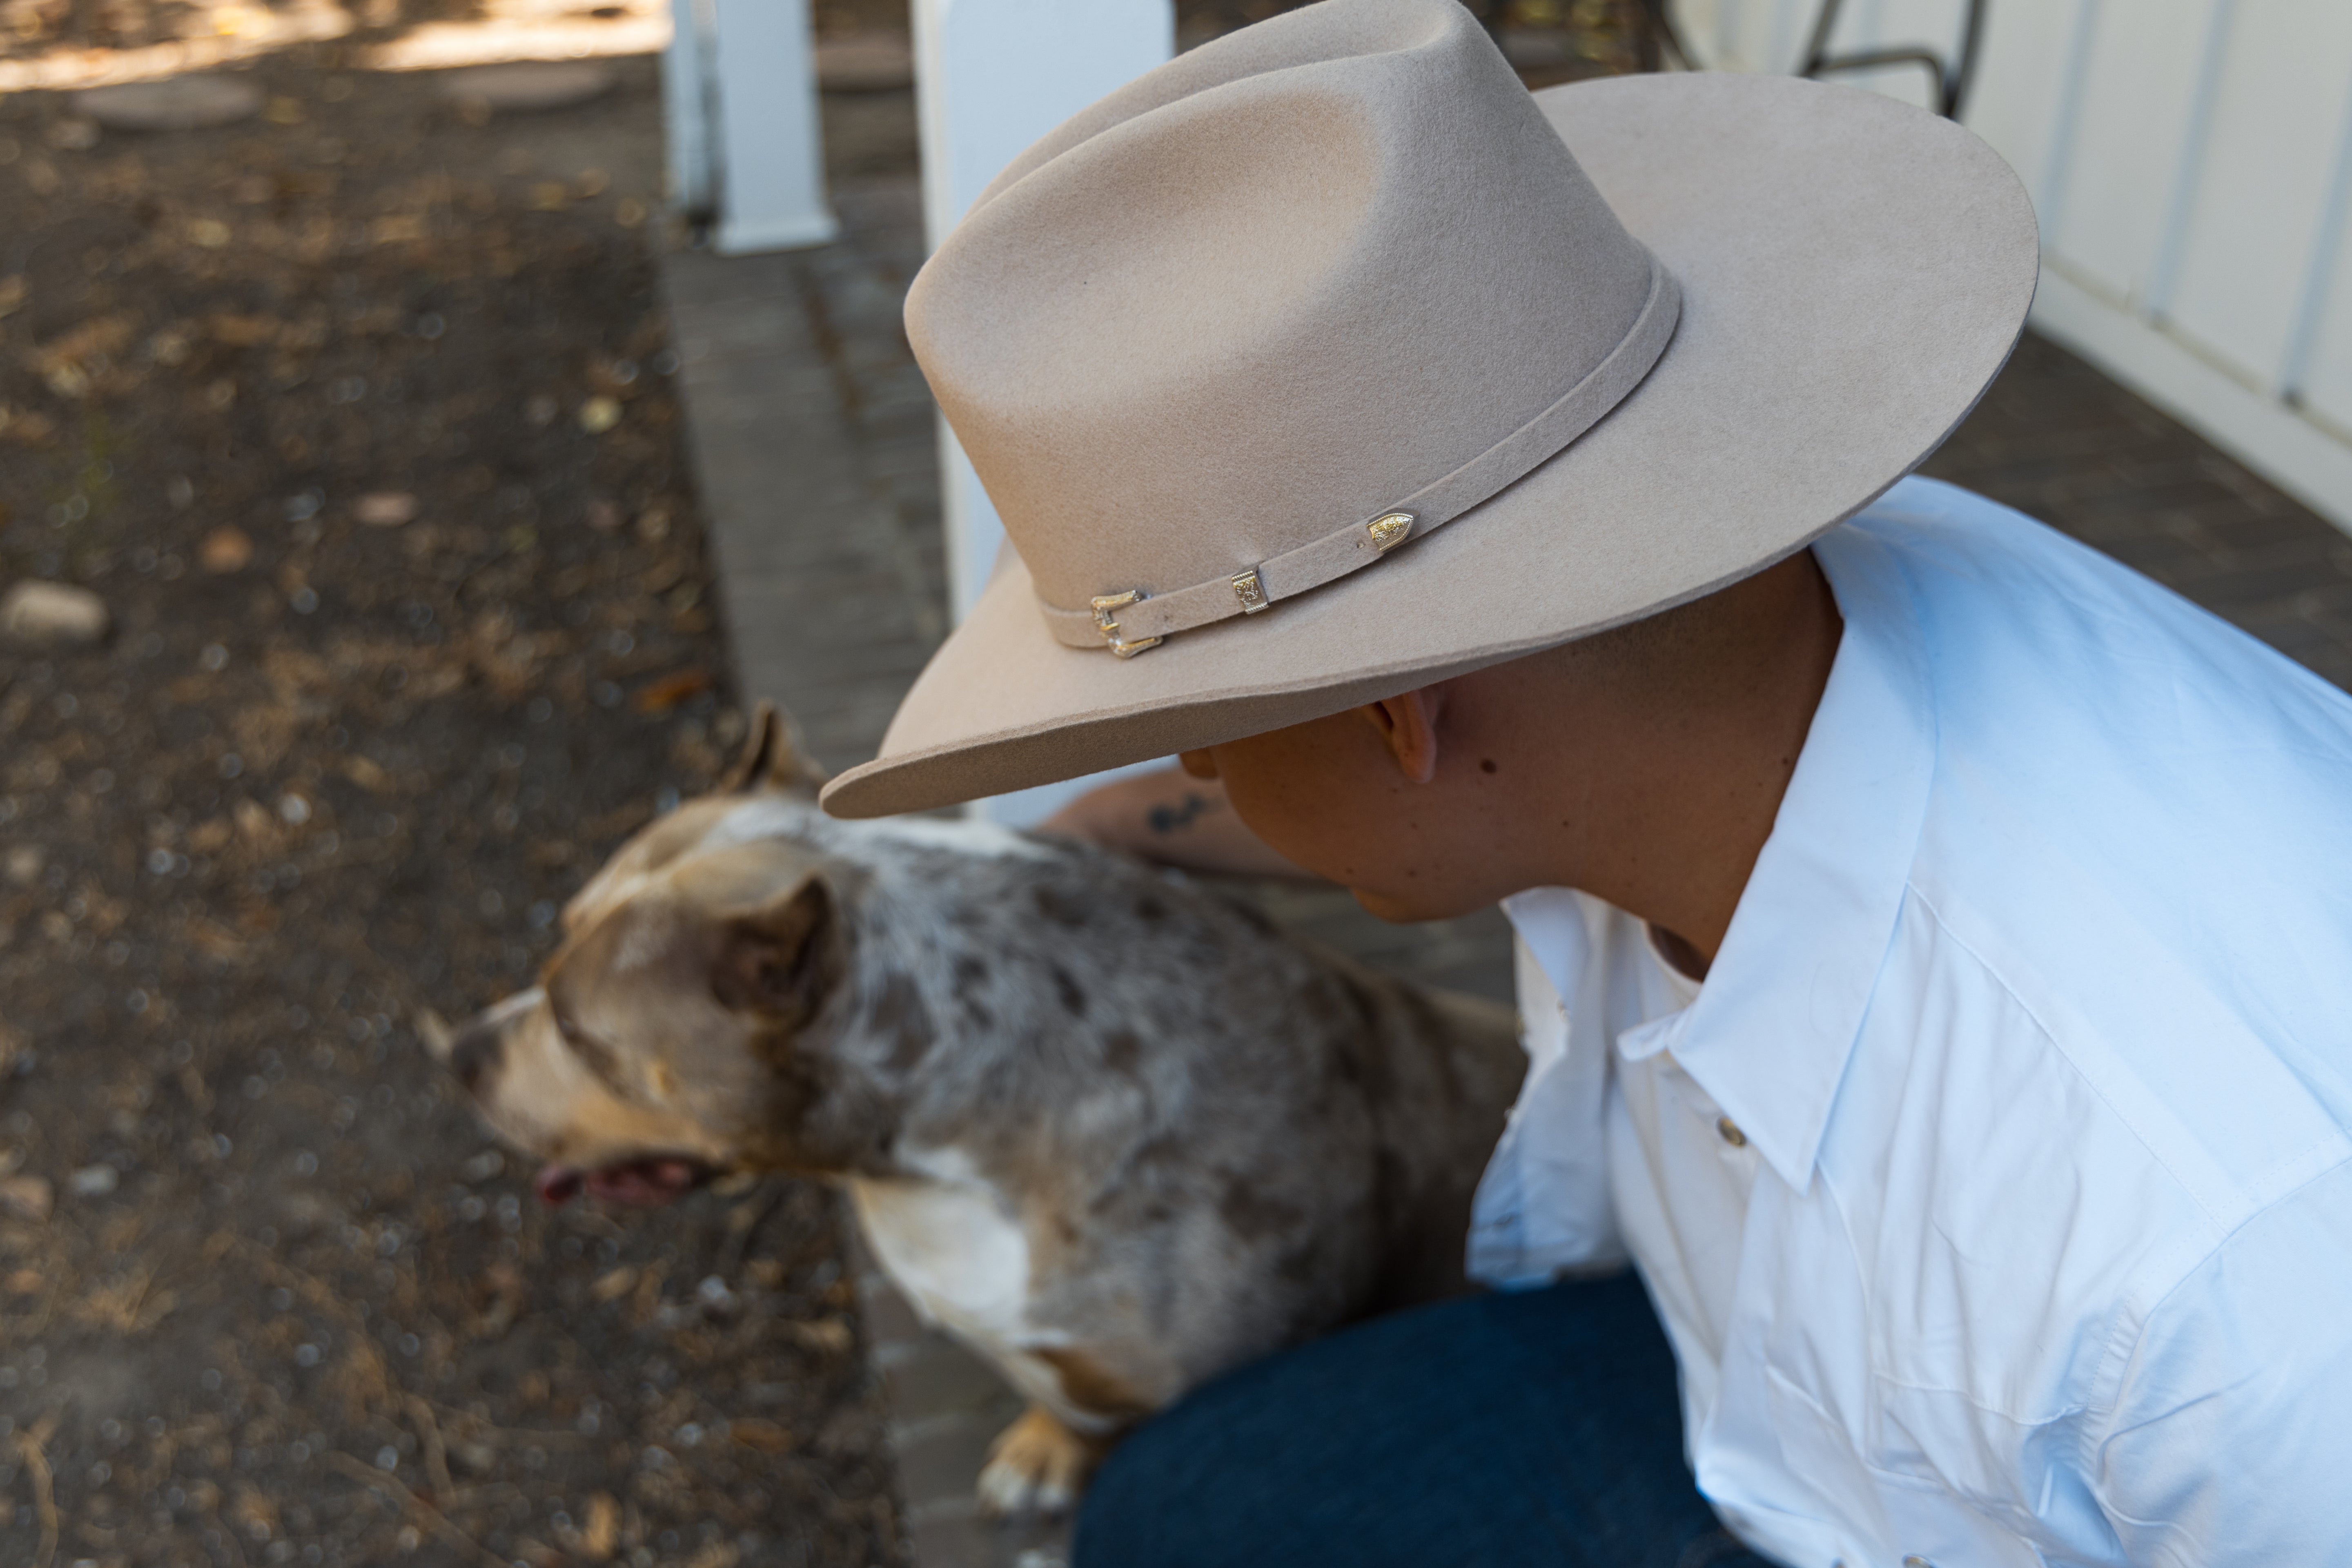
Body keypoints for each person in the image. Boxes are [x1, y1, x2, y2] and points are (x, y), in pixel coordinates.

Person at [816, 1, 2352, 1562]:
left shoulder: (2220, 1261)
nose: (1191, 768)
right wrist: (1099, 841)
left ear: (1405, 716)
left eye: (1201, 729)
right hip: (1783, 1397)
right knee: (1181, 1505)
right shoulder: (1693, 651)